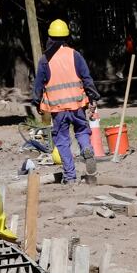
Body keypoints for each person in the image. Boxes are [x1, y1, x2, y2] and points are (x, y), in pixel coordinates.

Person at [32, 19, 100, 185]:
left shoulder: (45, 60)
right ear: (67, 37)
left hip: (58, 109)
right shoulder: (75, 55)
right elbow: (86, 78)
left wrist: (36, 103)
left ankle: (70, 177)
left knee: (62, 141)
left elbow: (38, 85)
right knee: (82, 131)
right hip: (77, 105)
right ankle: (86, 148)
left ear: (49, 37)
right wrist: (93, 97)